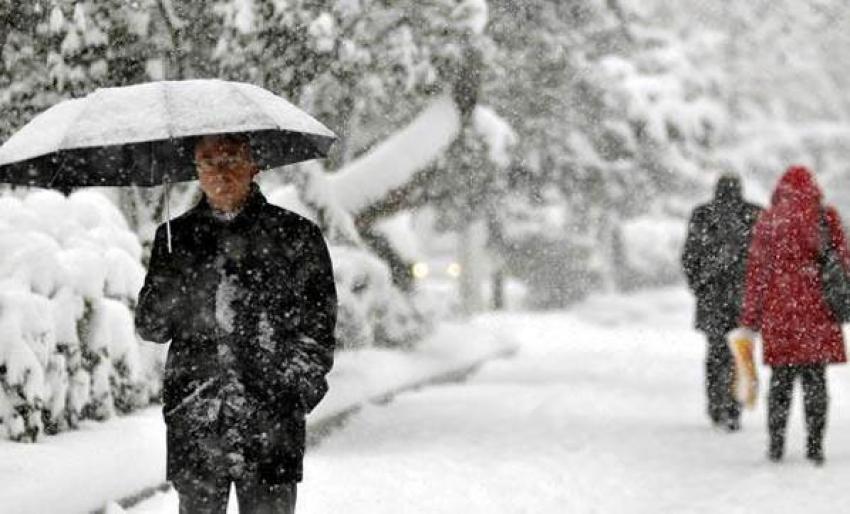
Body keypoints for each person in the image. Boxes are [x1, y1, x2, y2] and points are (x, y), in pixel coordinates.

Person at [135, 133, 338, 513]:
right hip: (196, 418)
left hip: (271, 423)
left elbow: (318, 328)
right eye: (208, 162)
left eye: (230, 159)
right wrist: (172, 280)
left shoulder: (294, 236)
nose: (219, 172)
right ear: (195, 170)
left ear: (253, 164)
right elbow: (151, 327)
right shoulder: (175, 240)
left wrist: (292, 391)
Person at [737, 165, 849, 464]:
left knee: (780, 381)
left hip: (780, 311)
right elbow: (844, 263)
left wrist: (750, 318)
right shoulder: (826, 217)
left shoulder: (769, 220)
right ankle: (815, 445)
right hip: (818, 311)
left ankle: (776, 445)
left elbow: (757, 273)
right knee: (816, 379)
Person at [682, 174, 761, 431]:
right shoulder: (754, 214)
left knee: (716, 352)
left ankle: (716, 403)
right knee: (739, 353)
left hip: (712, 298)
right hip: (744, 299)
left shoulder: (703, 215)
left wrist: (700, 286)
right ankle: (734, 407)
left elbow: (689, 256)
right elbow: (767, 259)